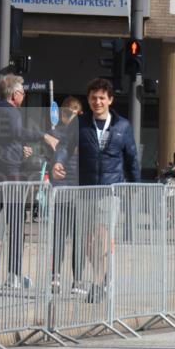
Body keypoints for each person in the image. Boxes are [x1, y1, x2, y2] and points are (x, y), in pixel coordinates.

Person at [52, 78, 140, 302]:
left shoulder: (122, 126)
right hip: (86, 190)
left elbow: (131, 159)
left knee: (101, 237)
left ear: (110, 100)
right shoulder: (79, 124)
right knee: (90, 242)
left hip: (110, 192)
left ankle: (98, 284)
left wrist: (135, 187)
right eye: (93, 98)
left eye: (102, 97)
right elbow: (65, 146)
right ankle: (104, 277)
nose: (97, 102)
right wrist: (58, 162)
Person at [0, 75, 59, 289]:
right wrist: (44, 136)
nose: (23, 96)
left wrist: (17, 150)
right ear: (14, 95)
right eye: (23, 93)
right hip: (9, 174)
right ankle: (13, 274)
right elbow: (16, 132)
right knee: (15, 224)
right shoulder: (11, 112)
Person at [49, 97, 85, 295]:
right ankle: (57, 278)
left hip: (77, 191)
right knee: (60, 237)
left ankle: (77, 279)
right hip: (63, 190)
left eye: (74, 113)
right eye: (68, 113)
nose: (70, 117)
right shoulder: (55, 134)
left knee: (77, 238)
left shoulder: (83, 136)